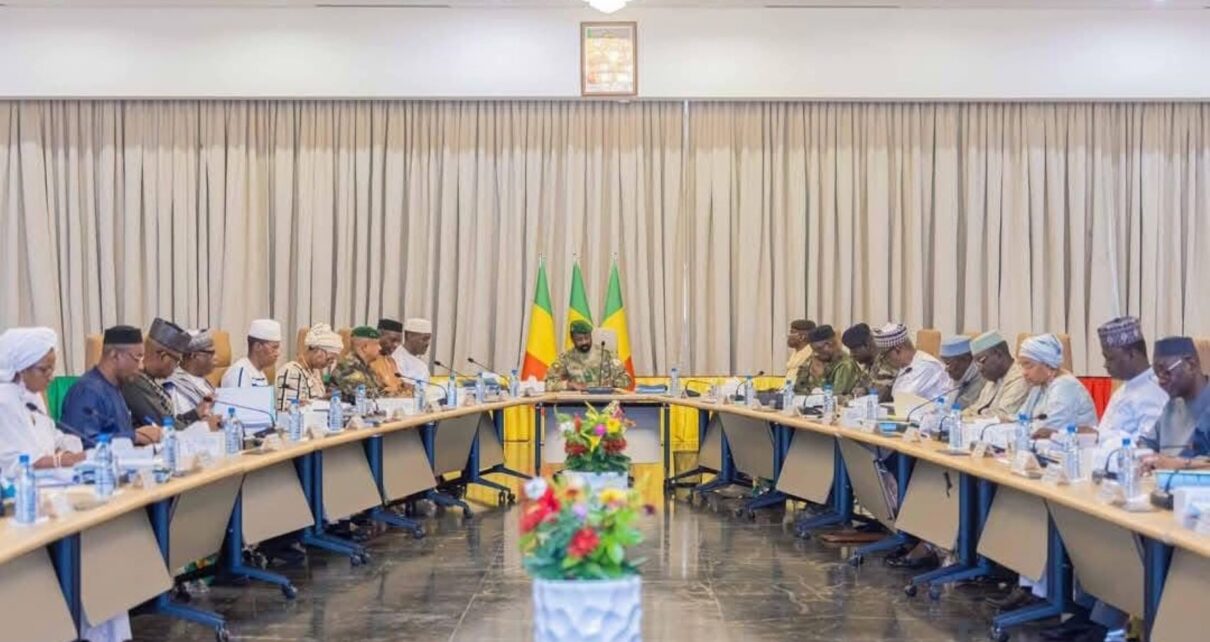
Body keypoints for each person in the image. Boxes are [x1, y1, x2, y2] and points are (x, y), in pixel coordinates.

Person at [0, 327, 86, 476]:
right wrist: (61, 460)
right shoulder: (5, 399)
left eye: (52, 369)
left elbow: (54, 437)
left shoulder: (33, 396)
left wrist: (67, 451)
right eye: (44, 370)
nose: (51, 377)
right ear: (21, 368)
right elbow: (16, 462)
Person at [61, 325, 161, 447]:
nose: (141, 366)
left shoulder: (116, 387)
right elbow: (81, 443)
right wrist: (135, 436)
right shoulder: (87, 391)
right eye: (137, 358)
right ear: (115, 355)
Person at [122, 318, 219, 430]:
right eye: (176, 361)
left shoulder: (147, 379)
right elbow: (166, 428)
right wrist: (205, 428)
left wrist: (196, 413)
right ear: (163, 356)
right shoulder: (134, 381)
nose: (176, 367)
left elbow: (169, 421)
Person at [1140, 336, 1210, 470]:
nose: (1161, 381)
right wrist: (1146, 458)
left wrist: (1180, 465)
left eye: (1166, 372)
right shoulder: (1172, 407)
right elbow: (1146, 444)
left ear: (1191, 365)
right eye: (1157, 374)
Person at [1017, 334, 1098, 438]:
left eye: (1029, 366)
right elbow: (1021, 419)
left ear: (1047, 364)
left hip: (1074, 449)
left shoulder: (1065, 386)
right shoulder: (1040, 385)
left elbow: (1047, 430)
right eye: (1022, 366)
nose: (1024, 373)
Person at [545, 320, 633, 392]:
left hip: (605, 403)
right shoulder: (565, 358)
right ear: (572, 339)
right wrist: (568, 385)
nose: (584, 342)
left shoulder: (606, 355)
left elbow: (626, 379)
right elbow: (548, 384)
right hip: (576, 405)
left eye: (587, 338)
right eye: (579, 339)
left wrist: (613, 383)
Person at [875, 323, 951, 401]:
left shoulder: (926, 366)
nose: (885, 359)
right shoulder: (906, 366)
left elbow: (903, 397)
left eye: (885, 355)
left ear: (898, 349)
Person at [276, 323, 343, 410]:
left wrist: (324, 400)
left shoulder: (315, 372)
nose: (329, 364)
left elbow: (309, 401)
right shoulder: (292, 372)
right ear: (317, 350)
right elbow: (286, 410)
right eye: (329, 359)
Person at [964, 331, 1030, 419]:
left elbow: (1002, 415)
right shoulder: (994, 378)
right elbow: (976, 407)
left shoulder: (1019, 378)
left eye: (982, 361)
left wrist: (973, 415)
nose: (980, 369)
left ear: (998, 354)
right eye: (977, 364)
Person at [793, 324, 861, 396]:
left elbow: (834, 397)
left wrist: (819, 377)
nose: (815, 353)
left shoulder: (845, 365)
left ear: (829, 344)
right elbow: (797, 389)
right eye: (813, 350)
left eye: (818, 349)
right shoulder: (817, 359)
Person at [843, 322, 897, 402]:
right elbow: (856, 390)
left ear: (867, 344)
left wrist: (863, 392)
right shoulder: (868, 364)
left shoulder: (887, 362)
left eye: (854, 350)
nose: (851, 355)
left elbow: (877, 397)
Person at [330, 326, 387, 400]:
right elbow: (361, 395)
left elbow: (378, 390)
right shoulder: (348, 367)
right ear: (365, 347)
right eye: (377, 344)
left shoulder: (366, 367)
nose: (380, 348)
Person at [221, 318, 281, 388]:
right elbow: (240, 398)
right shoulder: (240, 372)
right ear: (258, 346)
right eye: (274, 347)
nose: (278, 353)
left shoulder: (261, 374)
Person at [169, 330, 217, 415]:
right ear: (194, 355)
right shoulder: (178, 388)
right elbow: (186, 423)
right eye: (211, 353)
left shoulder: (202, 380)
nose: (216, 358)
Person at [938, 336, 985, 410]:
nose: (946, 369)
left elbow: (959, 409)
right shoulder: (959, 376)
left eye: (948, 363)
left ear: (966, 359)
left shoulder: (981, 379)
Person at [371, 318, 409, 396]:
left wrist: (405, 386)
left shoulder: (391, 361)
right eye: (393, 340)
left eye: (399, 341)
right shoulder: (369, 360)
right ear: (379, 336)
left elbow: (397, 384)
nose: (397, 345)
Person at [393, 317, 433, 384]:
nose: (427, 343)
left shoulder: (422, 365)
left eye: (429, 339)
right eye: (424, 339)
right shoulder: (395, 359)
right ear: (409, 336)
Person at [784, 319, 816, 383]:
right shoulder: (795, 354)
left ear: (802, 337)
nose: (789, 336)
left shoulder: (812, 356)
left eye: (792, 332)